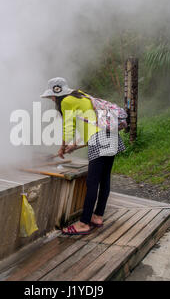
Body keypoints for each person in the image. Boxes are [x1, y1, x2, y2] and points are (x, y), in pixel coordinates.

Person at [40, 77, 125, 235]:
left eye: (51, 97)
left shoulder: (66, 101)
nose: (51, 99)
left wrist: (62, 147)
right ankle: (97, 216)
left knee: (92, 182)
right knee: (104, 179)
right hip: (110, 135)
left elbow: (69, 126)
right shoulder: (80, 95)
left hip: (98, 139)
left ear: (56, 94)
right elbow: (87, 123)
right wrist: (73, 145)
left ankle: (84, 223)